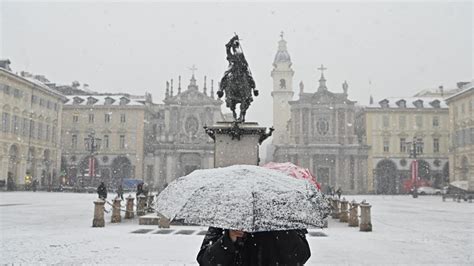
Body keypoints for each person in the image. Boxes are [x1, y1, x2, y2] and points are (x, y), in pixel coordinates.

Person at [197, 227, 311, 265]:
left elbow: (301, 257)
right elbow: (205, 261)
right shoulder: (225, 216)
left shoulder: (287, 216)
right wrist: (229, 239)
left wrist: (283, 230)